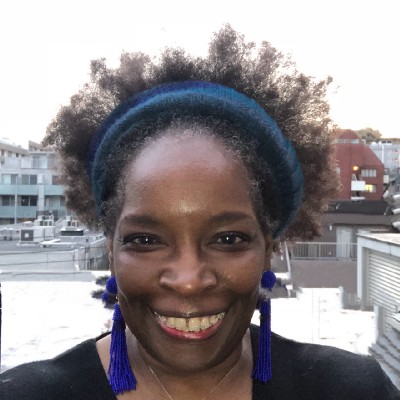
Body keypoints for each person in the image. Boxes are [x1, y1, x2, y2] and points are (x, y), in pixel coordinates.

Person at [1, 26, 399, 400]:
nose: (189, 281)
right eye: (145, 240)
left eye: (228, 239)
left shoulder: (351, 390)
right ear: (111, 251)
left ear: (267, 249)